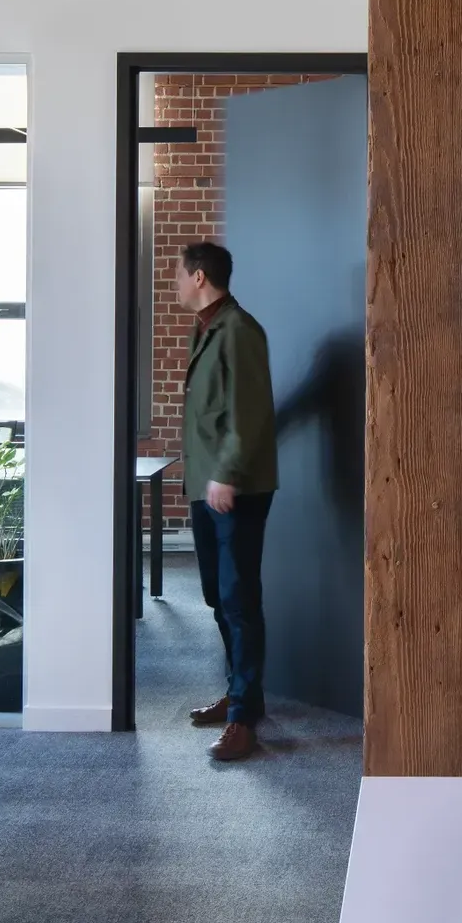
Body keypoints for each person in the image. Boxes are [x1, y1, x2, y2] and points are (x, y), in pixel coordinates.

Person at [174, 240, 280, 762]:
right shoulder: (207, 329)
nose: (175, 283)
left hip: (234, 487)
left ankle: (244, 719)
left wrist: (227, 474)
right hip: (207, 485)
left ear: (199, 277)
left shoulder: (239, 330)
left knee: (239, 600)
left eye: (179, 274)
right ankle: (241, 693)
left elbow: (251, 411)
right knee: (218, 596)